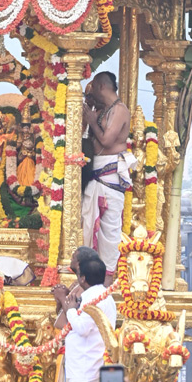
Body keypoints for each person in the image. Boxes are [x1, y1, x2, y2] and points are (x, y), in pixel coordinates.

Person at [81, 72, 132, 284]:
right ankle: (90, 280)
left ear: (101, 86)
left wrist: (93, 121)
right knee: (87, 223)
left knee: (110, 235)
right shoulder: (104, 110)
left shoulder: (120, 110)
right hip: (96, 175)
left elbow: (107, 141)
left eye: (92, 90)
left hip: (109, 178)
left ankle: (107, 285)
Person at [62, 255, 117, 382]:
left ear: (83, 278)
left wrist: (71, 310)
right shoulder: (104, 295)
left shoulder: (93, 298)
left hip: (85, 368)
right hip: (90, 365)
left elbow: (82, 328)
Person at [51, 245, 99, 330]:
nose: (70, 260)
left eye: (73, 257)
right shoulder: (77, 284)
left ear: (79, 264)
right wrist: (60, 301)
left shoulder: (87, 286)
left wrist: (62, 297)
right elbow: (62, 314)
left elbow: (77, 318)